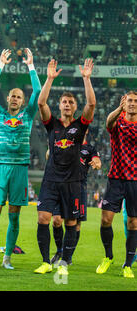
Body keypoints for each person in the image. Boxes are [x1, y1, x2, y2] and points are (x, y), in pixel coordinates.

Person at [34, 58, 96, 276]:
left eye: (71, 102)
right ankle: (44, 261)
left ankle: (65, 261)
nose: (67, 104)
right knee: (43, 218)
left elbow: (92, 105)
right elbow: (41, 103)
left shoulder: (80, 126)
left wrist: (86, 79)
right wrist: (49, 79)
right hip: (51, 180)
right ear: (59, 105)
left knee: (70, 222)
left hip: (72, 182)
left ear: (75, 107)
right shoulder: (53, 124)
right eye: (64, 102)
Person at [0, 48, 41, 270]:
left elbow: (38, 89)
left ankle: (7, 258)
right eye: (12, 96)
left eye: (19, 96)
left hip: (19, 170)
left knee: (14, 217)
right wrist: (0, 64)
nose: (15, 98)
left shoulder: (28, 115)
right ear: (7, 99)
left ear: (23, 101)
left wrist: (31, 66)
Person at [97, 92, 137, 278]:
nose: (133, 104)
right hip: (116, 177)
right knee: (105, 220)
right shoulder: (118, 121)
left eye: (136, 101)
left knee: (133, 222)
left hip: (135, 180)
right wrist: (119, 109)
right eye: (130, 101)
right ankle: (108, 256)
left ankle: (128, 264)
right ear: (124, 102)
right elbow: (107, 123)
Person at [49, 129, 101, 265]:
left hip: (79, 188)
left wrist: (97, 164)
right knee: (56, 221)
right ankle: (59, 251)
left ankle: (68, 256)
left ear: (86, 131)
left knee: (76, 224)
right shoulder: (65, 144)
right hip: (61, 186)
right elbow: (50, 155)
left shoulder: (89, 149)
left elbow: (97, 160)